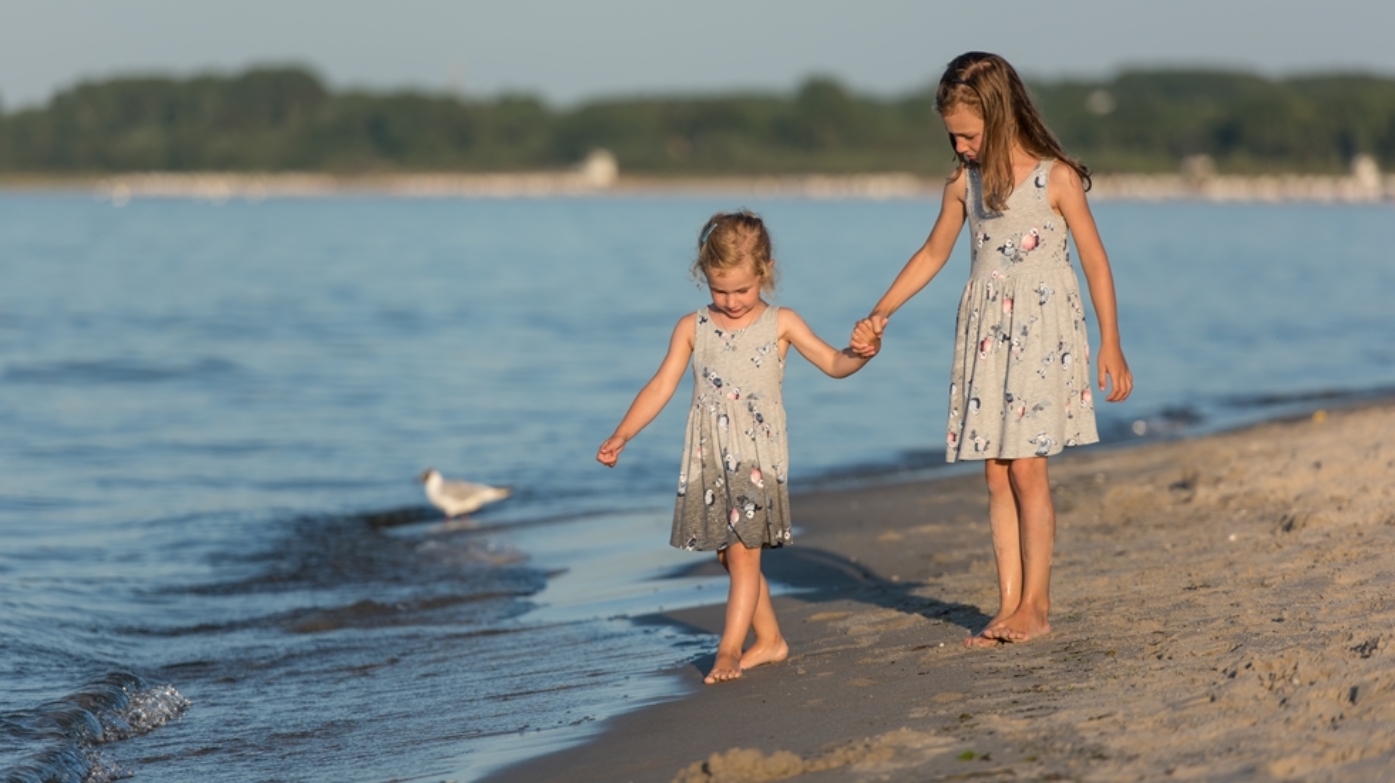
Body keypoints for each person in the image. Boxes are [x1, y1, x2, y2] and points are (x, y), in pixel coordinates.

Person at [850, 52, 1133, 646]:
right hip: (987, 339)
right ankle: (1007, 604)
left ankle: (1038, 605)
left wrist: (1111, 342)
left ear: (1000, 116)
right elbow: (933, 254)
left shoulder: (1053, 178)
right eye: (952, 136)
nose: (960, 147)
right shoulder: (963, 184)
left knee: (1029, 469)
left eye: (968, 135)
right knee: (996, 473)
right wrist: (881, 311)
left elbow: (1095, 261)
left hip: (1042, 337)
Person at [598, 210, 876, 683]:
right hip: (709, 458)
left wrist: (860, 354)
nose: (729, 302)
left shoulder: (781, 323)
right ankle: (770, 640)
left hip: (755, 458)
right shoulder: (692, 328)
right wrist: (623, 434)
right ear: (703, 276)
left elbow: (832, 362)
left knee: (745, 553)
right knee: (727, 554)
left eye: (741, 291)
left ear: (764, 271)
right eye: (718, 290)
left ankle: (728, 648)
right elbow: (661, 386)